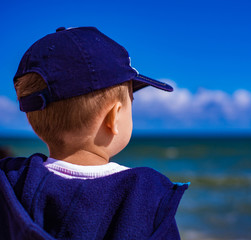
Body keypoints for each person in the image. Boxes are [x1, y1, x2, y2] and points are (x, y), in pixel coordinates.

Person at [0, 27, 188, 240]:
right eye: (130, 103)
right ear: (113, 117)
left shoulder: (11, 183)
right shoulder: (146, 195)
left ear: (31, 119)